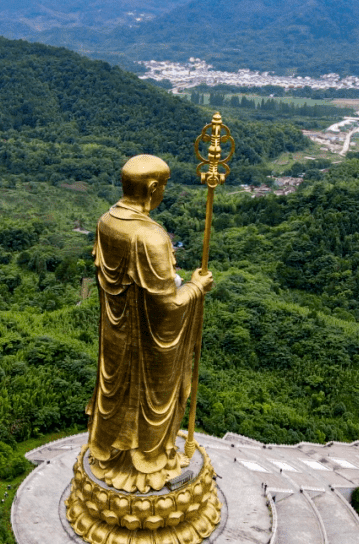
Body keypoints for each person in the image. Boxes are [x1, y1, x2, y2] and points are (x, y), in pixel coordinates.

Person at [85, 154, 213, 494]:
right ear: (153, 188)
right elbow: (168, 303)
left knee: (115, 394)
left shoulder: (106, 222)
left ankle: (112, 452)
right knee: (150, 399)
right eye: (163, 188)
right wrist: (196, 287)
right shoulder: (150, 237)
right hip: (147, 343)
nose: (163, 194)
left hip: (116, 335)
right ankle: (148, 460)